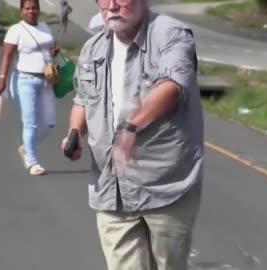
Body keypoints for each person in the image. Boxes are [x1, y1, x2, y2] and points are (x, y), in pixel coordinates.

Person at [61, 0, 204, 269]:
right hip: (111, 186)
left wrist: (130, 126)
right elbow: (82, 99)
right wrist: (75, 132)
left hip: (164, 185)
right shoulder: (93, 48)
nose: (112, 5)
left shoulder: (169, 34)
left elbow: (172, 86)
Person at [0, 0, 59, 175]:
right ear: (21, 11)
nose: (31, 11)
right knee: (30, 123)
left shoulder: (45, 27)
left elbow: (48, 49)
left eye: (34, 8)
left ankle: (26, 147)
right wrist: (2, 79)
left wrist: (53, 54)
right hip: (25, 80)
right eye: (27, 8)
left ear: (39, 9)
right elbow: (7, 57)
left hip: (46, 80)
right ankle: (32, 162)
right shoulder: (15, 30)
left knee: (49, 122)